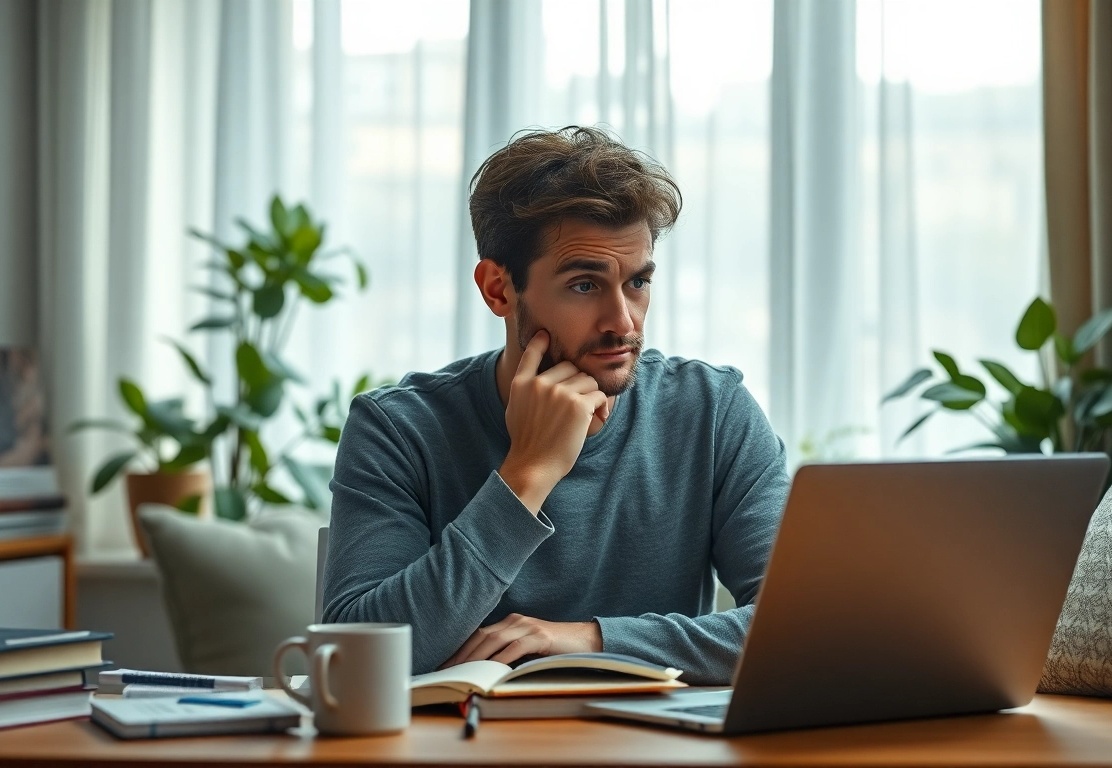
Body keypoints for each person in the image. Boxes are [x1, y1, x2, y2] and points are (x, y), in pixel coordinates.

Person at [323, 126, 789, 684]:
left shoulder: (712, 412)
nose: (623, 321)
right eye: (585, 285)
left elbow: (800, 627)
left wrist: (586, 640)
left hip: (659, 756)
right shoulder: (399, 428)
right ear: (498, 288)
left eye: (637, 282)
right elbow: (355, 660)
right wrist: (526, 476)